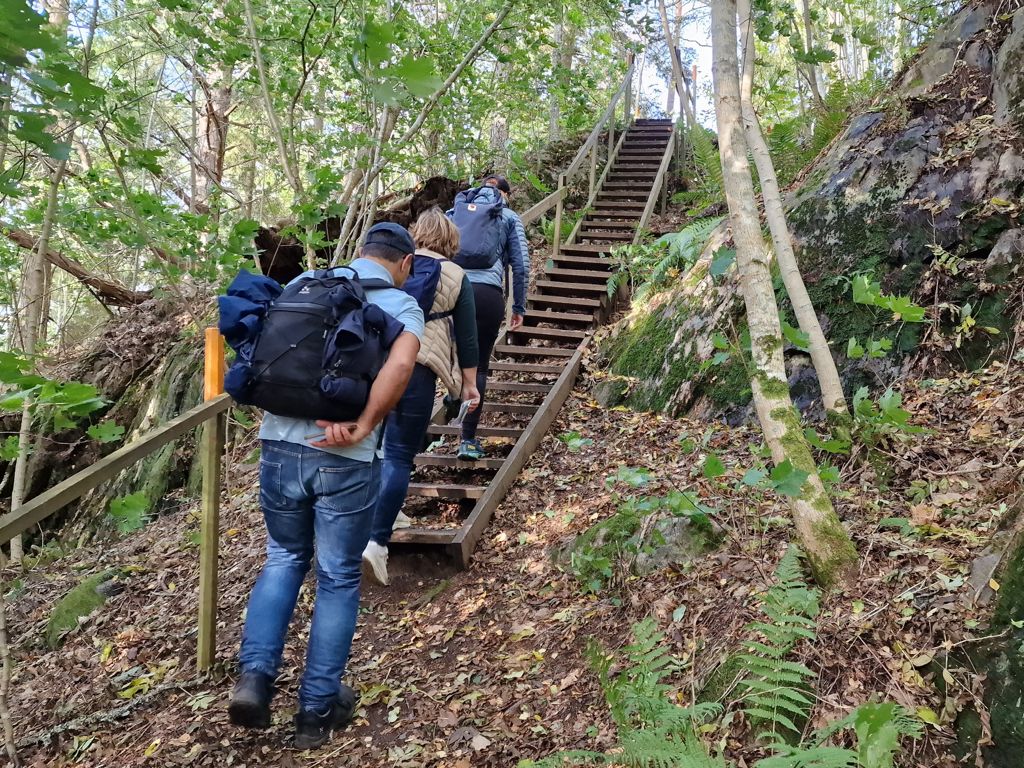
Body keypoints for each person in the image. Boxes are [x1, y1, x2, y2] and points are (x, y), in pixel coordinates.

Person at [228, 222, 424, 750]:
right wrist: (363, 423)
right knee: (337, 575)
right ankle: (315, 711)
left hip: (277, 445)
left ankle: (255, 680)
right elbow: (402, 365)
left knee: (283, 558)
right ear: (404, 263)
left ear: (362, 252)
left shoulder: (308, 284)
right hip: (344, 456)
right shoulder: (401, 304)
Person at [361, 208, 481, 585]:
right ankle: (376, 543)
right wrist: (468, 384)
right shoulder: (457, 275)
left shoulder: (390, 266)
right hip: (419, 369)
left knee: (370, 446)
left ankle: (364, 520)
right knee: (399, 454)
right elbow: (468, 337)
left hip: (373, 364)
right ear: (452, 240)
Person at [449, 174, 528, 461]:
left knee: (448, 355)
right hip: (486, 294)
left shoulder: (454, 211)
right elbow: (520, 265)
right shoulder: (508, 215)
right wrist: (519, 306)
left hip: (450, 290)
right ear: (505, 194)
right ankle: (467, 440)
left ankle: (452, 391)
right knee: (479, 367)